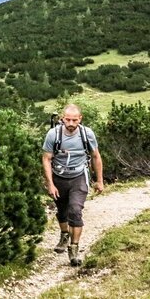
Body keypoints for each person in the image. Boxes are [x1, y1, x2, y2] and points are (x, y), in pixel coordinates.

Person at [42, 103, 105, 266]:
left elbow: (96, 156)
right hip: (59, 177)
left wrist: (99, 181)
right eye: (67, 120)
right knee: (62, 210)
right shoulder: (53, 135)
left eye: (74, 120)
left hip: (79, 176)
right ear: (63, 119)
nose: (70, 124)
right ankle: (64, 235)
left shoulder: (87, 134)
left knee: (75, 210)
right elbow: (46, 159)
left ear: (80, 119)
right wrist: (50, 184)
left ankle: (74, 248)